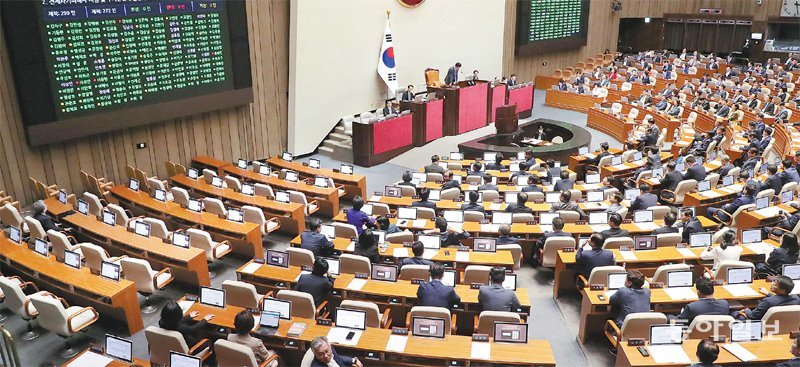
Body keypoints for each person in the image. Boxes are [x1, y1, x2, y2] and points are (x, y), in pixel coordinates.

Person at [734, 275, 799, 320]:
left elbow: (753, 316)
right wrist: (768, 294)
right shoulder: (796, 298)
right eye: (773, 281)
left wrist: (747, 310)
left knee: (732, 311)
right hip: (781, 323)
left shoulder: (768, 301)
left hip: (761, 323)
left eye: (775, 285)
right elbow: (781, 300)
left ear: (782, 291)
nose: (772, 284)